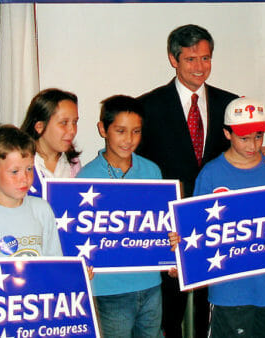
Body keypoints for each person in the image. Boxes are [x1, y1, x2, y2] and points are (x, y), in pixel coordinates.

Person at [136, 24, 265, 337]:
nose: (199, 67)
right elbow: (139, 169)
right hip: (173, 228)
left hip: (223, 232)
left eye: (205, 58)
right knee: (170, 315)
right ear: (173, 59)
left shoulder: (230, 104)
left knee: (215, 311)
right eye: (191, 59)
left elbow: (246, 147)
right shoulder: (148, 107)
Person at [169, 97, 265, 337]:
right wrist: (183, 255)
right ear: (227, 134)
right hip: (229, 290)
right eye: (244, 138)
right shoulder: (211, 174)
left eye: (258, 136)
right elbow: (196, 228)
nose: (252, 145)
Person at [76, 95, 163, 338]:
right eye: (121, 131)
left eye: (136, 131)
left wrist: (171, 245)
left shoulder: (152, 171)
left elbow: (161, 223)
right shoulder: (86, 178)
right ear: (103, 129)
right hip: (109, 290)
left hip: (151, 284)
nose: (129, 139)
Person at [0, 125, 61, 258]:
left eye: (29, 169)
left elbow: (55, 265)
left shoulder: (41, 210)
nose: (25, 178)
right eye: (15, 172)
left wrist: (77, 274)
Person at [20, 88, 81, 179]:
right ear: (39, 127)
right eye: (64, 123)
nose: (72, 131)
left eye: (75, 122)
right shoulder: (20, 161)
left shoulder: (73, 164)